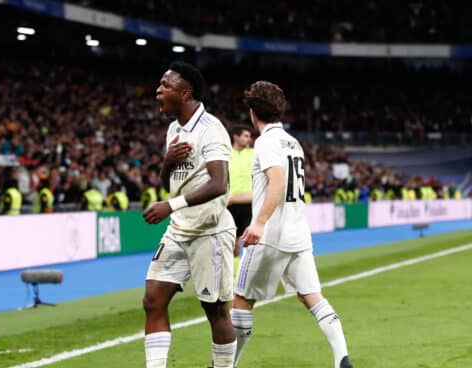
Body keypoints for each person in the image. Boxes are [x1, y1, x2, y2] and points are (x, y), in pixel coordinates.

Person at [232, 81, 353, 368]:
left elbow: (277, 180)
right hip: (298, 233)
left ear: (252, 112)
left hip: (271, 235)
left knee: (241, 302)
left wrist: (259, 223)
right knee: (312, 296)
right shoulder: (293, 142)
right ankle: (342, 359)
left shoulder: (266, 142)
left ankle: (225, 365)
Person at [142, 61, 237, 368]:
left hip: (210, 230)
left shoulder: (211, 129)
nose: (158, 91)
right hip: (179, 229)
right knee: (153, 300)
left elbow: (219, 183)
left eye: (164, 86)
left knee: (216, 312)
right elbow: (167, 182)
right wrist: (167, 162)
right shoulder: (173, 128)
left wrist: (170, 205)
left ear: (184, 93)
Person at [227, 125, 254, 257]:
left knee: (248, 244)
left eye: (249, 136)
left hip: (248, 203)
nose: (249, 139)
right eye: (246, 136)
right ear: (236, 137)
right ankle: (231, 275)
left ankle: (241, 275)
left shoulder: (253, 153)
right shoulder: (226, 155)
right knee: (231, 244)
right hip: (229, 204)